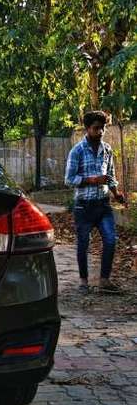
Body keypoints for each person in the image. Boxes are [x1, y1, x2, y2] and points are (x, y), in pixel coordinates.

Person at [65, 110, 126, 293]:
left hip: (103, 205)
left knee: (110, 240)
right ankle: (83, 282)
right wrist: (91, 180)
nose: (100, 132)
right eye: (96, 128)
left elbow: (110, 176)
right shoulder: (77, 151)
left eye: (103, 128)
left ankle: (104, 281)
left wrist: (116, 194)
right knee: (83, 244)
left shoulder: (107, 149)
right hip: (83, 206)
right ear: (87, 129)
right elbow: (68, 179)